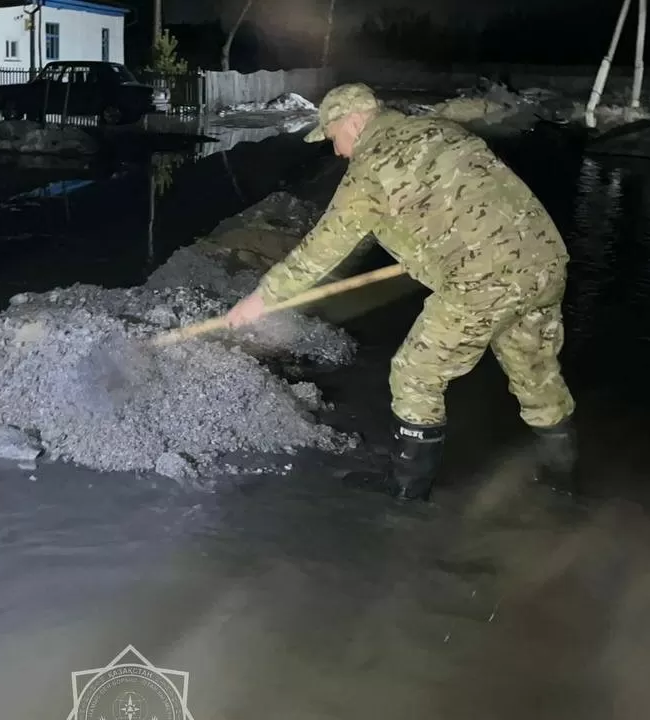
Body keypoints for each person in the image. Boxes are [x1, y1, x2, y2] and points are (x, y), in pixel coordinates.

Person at [225, 83, 577, 501]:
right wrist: (423, 254)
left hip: (485, 278)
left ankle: (407, 496)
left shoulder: (371, 167)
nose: (336, 151)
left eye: (334, 137)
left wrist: (262, 298)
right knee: (535, 373)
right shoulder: (436, 129)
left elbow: (321, 250)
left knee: (415, 374)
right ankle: (564, 481)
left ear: (355, 122)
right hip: (545, 260)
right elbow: (459, 201)